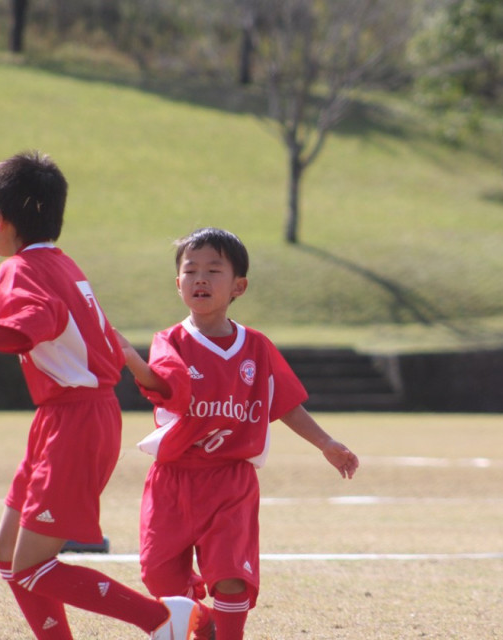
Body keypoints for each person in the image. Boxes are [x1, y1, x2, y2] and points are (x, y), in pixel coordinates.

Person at [0, 151, 212, 640]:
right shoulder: (66, 266)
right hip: (68, 419)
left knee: (30, 566)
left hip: (75, 421)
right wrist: (153, 379)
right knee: (9, 554)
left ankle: (163, 621)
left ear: (1, 220)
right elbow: (103, 334)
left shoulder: (19, 270)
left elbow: (38, 321)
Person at [118, 227, 360, 640]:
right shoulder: (169, 342)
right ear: (177, 284)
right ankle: (201, 622)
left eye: (214, 270)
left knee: (231, 575)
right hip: (172, 478)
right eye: (190, 270)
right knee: (159, 577)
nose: (200, 279)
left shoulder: (257, 347)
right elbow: (165, 387)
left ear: (238, 286)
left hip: (230, 480)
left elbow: (282, 402)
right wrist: (130, 358)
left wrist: (326, 443)